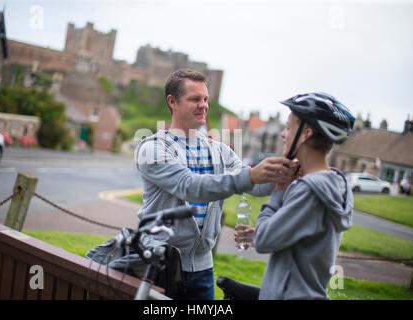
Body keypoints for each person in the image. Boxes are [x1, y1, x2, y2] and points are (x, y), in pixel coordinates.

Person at [134, 68, 294, 300]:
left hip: (202, 269)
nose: (203, 105)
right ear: (172, 101)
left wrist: (283, 172)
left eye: (206, 99)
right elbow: (190, 187)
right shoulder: (153, 148)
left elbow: (256, 187)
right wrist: (250, 176)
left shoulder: (219, 151)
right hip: (158, 266)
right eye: (194, 99)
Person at [237, 92, 356, 300]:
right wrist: (278, 228)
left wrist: (279, 192)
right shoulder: (334, 184)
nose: (283, 134)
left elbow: (264, 240)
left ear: (306, 133)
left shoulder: (309, 189)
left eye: (289, 127)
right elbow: (307, 242)